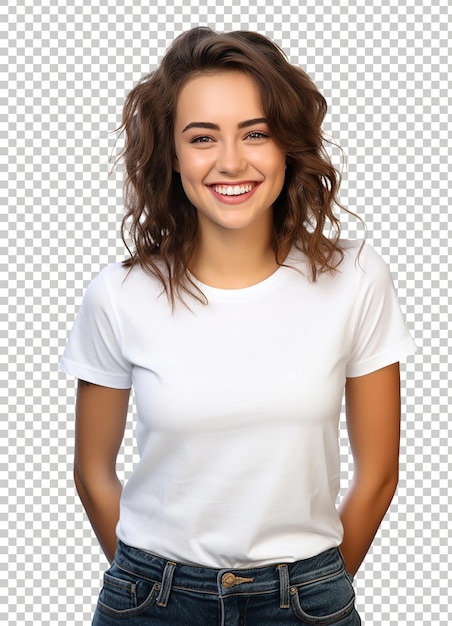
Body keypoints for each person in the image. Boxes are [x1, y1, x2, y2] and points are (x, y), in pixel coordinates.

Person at [60, 26, 416, 626]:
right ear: (173, 158)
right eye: (203, 138)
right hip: (151, 598)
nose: (231, 161)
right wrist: (151, 586)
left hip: (307, 596)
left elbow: (379, 473)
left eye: (256, 133)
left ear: (287, 147)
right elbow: (92, 473)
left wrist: (313, 589)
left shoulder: (356, 278)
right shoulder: (118, 295)